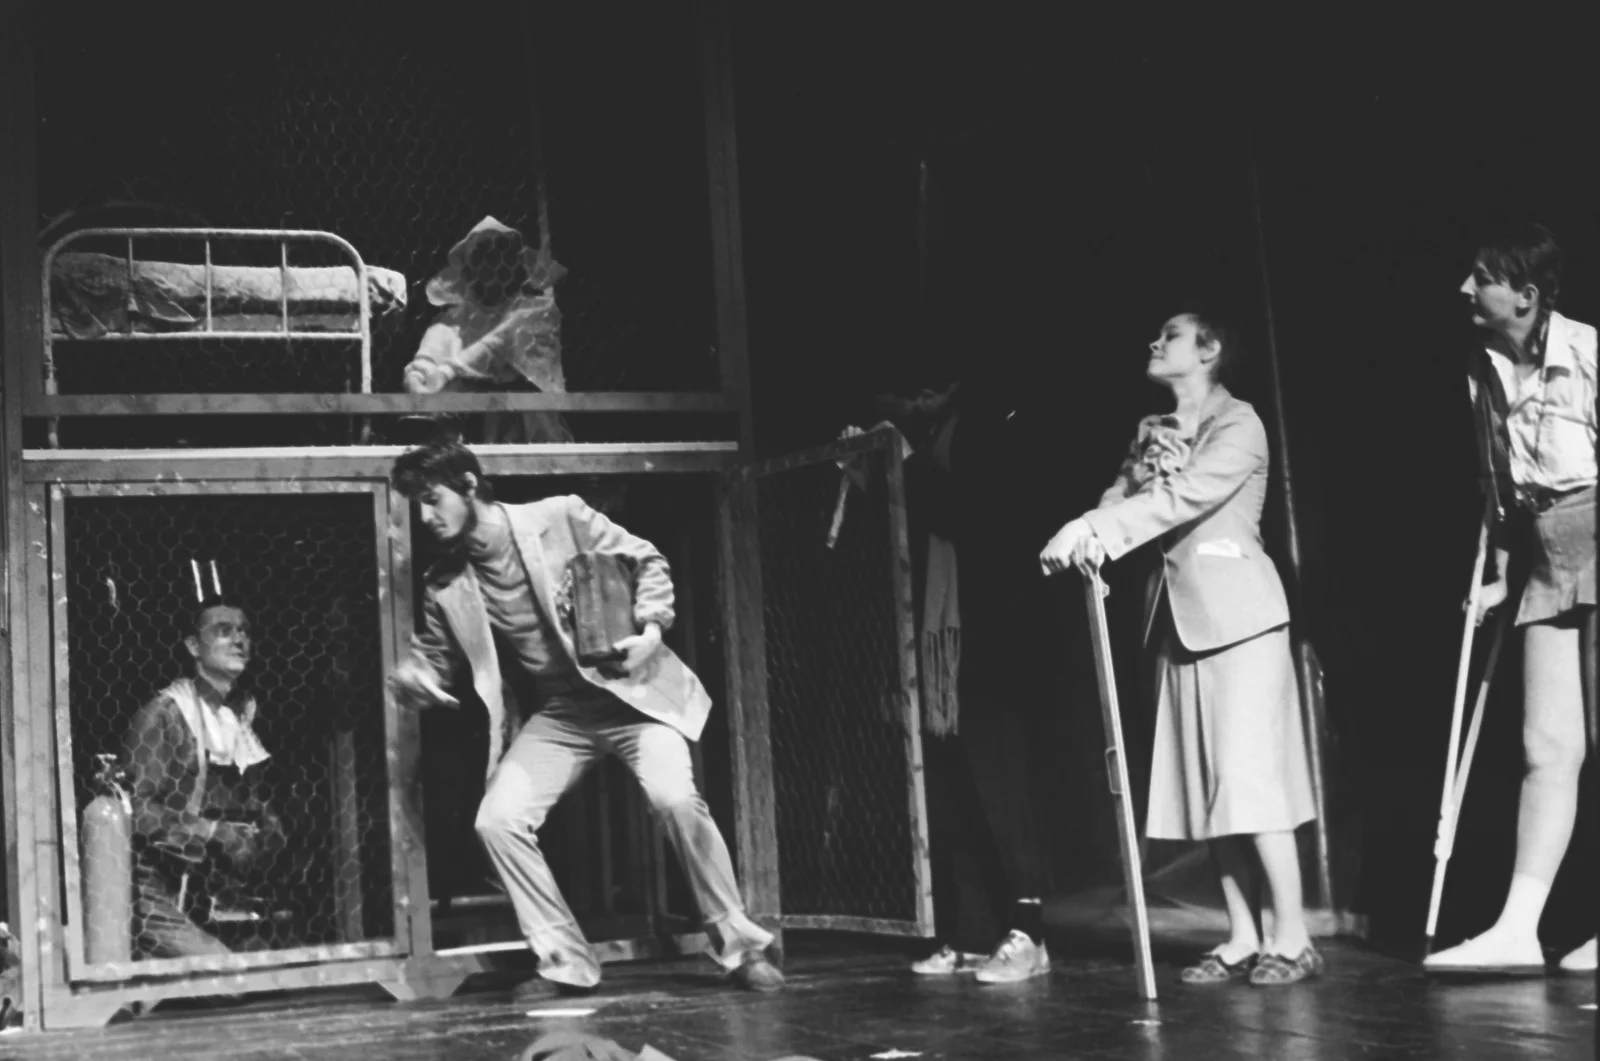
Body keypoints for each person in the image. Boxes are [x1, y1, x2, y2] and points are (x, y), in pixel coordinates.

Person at [387, 440, 783, 999]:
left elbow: (646, 559)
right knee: (497, 820)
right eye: (418, 507)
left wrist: (651, 630)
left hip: (632, 698)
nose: (427, 516)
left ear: (470, 486)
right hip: (565, 714)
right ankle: (565, 961)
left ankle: (742, 948)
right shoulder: (446, 579)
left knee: (674, 799)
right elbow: (436, 654)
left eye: (433, 500)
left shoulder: (559, 517)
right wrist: (416, 677)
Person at [1039, 309, 1322, 986]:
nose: (1154, 342)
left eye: (1170, 336)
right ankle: (1242, 935)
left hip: (1241, 618)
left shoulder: (1240, 423)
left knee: (1249, 780)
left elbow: (1186, 496)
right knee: (1207, 783)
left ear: (1209, 350)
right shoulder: (1151, 430)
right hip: (1178, 621)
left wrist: (1094, 527)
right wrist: (1094, 528)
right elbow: (1123, 493)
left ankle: (1293, 937)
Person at [1426, 222, 1596, 976]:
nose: (1466, 288)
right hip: (1544, 548)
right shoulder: (1484, 366)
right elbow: (1495, 479)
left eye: (1483, 277)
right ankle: (1519, 926)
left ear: (1525, 296)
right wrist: (1498, 570)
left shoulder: (1588, 353)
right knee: (1545, 747)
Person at [844, 376, 1052, 983]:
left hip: (984, 635)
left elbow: (968, 515)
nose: (906, 405)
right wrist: (873, 475)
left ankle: (1030, 931)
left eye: (912, 394)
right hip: (936, 642)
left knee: (1000, 785)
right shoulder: (933, 436)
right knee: (952, 788)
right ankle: (972, 931)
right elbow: (907, 531)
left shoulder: (987, 431)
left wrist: (905, 463)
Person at [125, 598, 286, 959]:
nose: (239, 640)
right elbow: (135, 809)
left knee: (276, 969)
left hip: (212, 891)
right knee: (232, 977)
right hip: (154, 892)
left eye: (244, 632)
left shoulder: (241, 716)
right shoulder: (165, 714)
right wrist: (212, 832)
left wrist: (266, 829)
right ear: (194, 646)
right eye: (224, 631)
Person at [403, 216, 574, 444]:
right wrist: (417, 377)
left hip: (523, 417)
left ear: (517, 263)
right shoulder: (454, 318)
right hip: (469, 418)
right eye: (485, 255)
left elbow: (498, 345)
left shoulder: (534, 309)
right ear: (470, 268)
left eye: (503, 253)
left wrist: (447, 372)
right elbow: (430, 352)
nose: (495, 262)